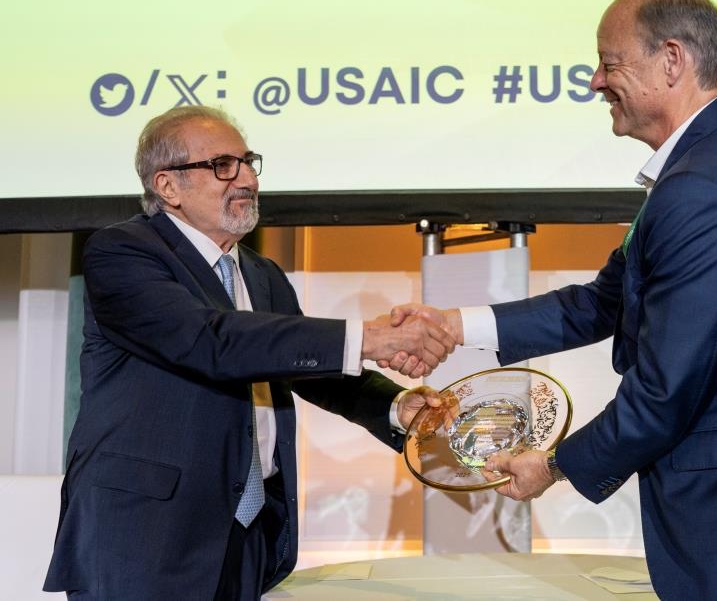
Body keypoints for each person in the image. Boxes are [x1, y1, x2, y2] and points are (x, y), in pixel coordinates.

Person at [385, 0, 717, 600]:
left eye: (609, 63)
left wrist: (554, 465)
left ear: (672, 60)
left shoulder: (703, 187)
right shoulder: (705, 165)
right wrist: (452, 327)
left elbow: (666, 390)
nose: (596, 81)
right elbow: (602, 302)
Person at [43, 105, 455, 600]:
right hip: (144, 536)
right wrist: (371, 337)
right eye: (222, 166)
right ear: (168, 186)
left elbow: (305, 368)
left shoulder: (262, 274)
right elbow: (211, 342)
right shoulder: (123, 252)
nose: (247, 180)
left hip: (248, 532)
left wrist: (394, 405)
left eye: (248, 162)